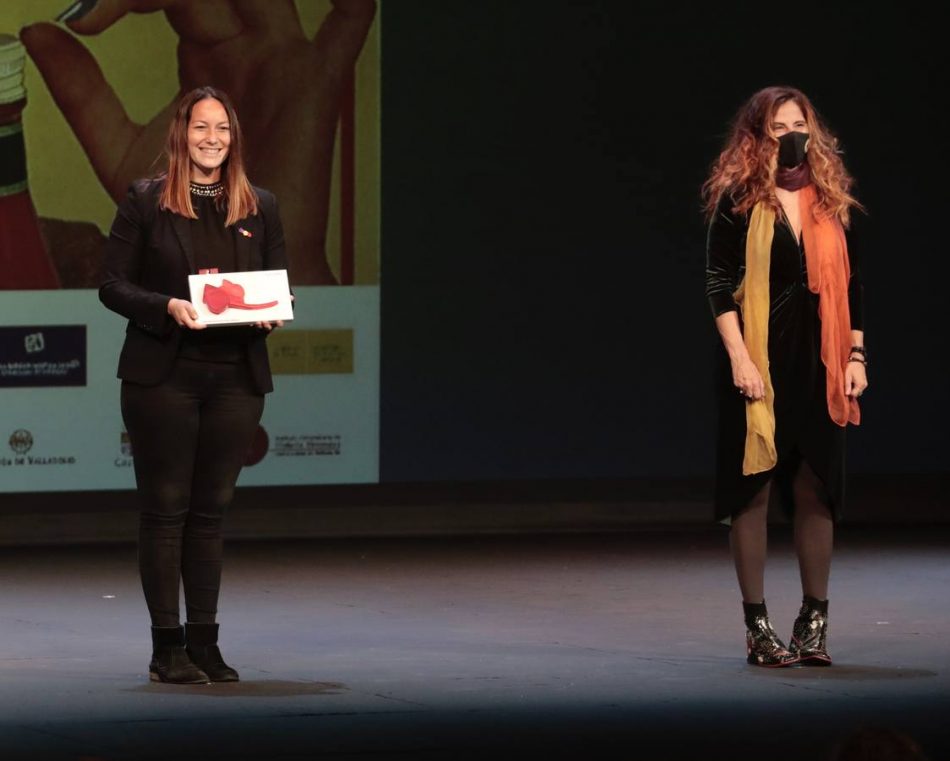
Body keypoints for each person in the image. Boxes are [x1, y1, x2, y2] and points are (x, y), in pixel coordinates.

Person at [100, 86, 287, 684]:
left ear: (235, 138)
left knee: (211, 513)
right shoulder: (146, 201)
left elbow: (278, 285)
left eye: (224, 129)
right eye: (202, 128)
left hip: (236, 376)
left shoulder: (260, 205)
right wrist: (167, 306)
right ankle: (166, 648)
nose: (213, 139)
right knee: (165, 510)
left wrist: (273, 311)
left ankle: (205, 643)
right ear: (181, 133)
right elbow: (112, 286)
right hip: (164, 374)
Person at [702, 86, 868, 667]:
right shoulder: (739, 198)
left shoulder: (829, 199)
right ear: (759, 135)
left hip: (820, 363)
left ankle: (814, 621)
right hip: (758, 363)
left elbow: (854, 286)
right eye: (779, 127)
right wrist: (740, 358)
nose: (792, 135)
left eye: (800, 124)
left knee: (815, 486)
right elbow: (718, 283)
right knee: (754, 488)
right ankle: (757, 627)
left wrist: (855, 358)